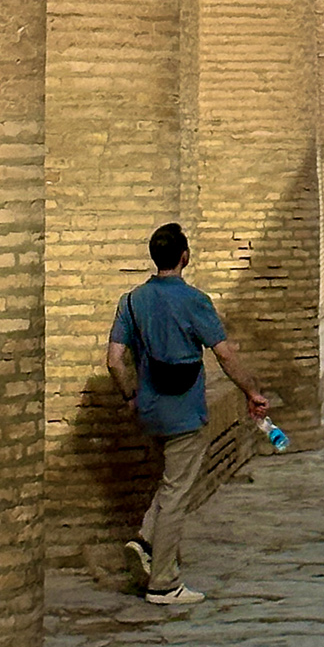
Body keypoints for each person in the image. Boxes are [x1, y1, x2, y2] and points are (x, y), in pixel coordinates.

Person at [107, 222, 271, 606]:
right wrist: (251, 391)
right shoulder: (195, 301)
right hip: (184, 410)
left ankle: (145, 540)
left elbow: (115, 360)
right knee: (177, 493)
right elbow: (224, 354)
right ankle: (163, 581)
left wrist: (131, 396)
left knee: (169, 483)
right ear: (185, 256)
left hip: (150, 409)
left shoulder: (131, 302)